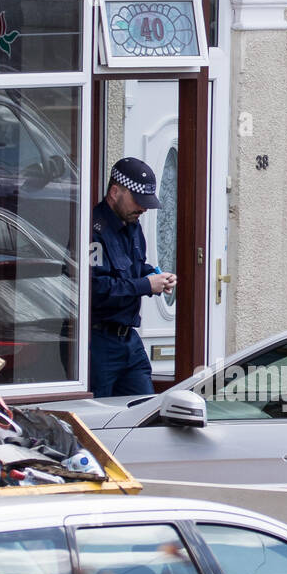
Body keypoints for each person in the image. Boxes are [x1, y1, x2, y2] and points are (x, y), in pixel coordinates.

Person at [88, 157, 176, 397]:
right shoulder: (92, 231)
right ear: (115, 192)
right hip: (98, 342)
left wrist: (155, 275)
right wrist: (145, 285)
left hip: (129, 340)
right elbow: (96, 289)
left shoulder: (133, 225)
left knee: (145, 407)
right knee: (100, 416)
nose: (143, 208)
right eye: (138, 201)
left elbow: (134, 268)